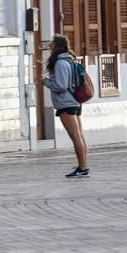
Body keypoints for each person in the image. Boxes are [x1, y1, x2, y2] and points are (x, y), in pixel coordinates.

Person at [42, 34, 90, 178]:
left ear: (56, 46)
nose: (49, 46)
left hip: (66, 103)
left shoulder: (61, 63)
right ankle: (83, 165)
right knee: (79, 135)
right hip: (73, 101)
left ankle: (83, 168)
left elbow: (61, 86)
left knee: (75, 136)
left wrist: (46, 82)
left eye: (52, 43)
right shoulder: (69, 60)